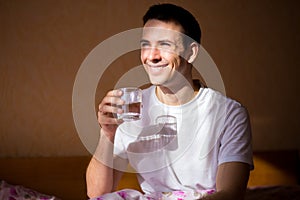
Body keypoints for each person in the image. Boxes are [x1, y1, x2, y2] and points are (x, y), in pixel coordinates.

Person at [86, 3, 253, 200]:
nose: (151, 56)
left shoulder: (229, 114)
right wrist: (107, 133)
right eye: (145, 45)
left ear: (191, 53)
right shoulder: (132, 108)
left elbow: (230, 194)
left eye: (164, 45)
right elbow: (97, 194)